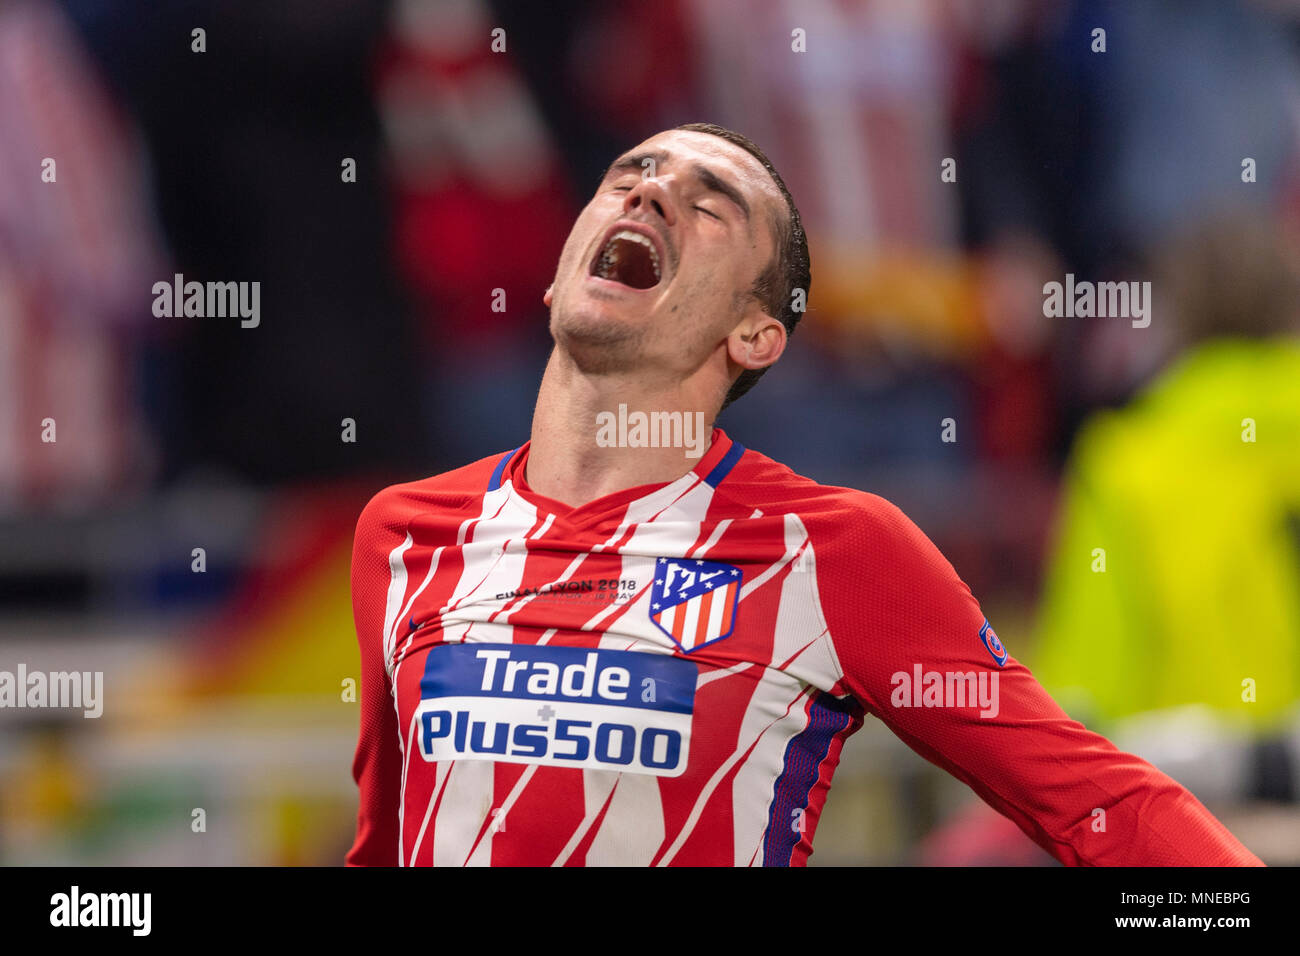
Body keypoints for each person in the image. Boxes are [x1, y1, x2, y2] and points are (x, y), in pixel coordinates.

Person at [346, 123, 1262, 866]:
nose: (650, 192)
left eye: (711, 206)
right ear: (554, 276)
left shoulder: (834, 552)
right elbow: (384, 847)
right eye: (630, 174)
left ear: (756, 335)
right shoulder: (404, 536)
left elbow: (1099, 803)